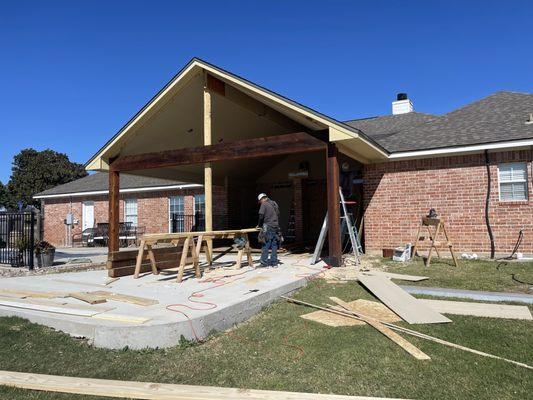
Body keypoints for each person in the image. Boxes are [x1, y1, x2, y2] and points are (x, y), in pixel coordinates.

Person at [256, 193, 281, 267]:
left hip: (268, 226)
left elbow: (261, 216)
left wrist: (259, 225)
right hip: (276, 226)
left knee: (265, 244)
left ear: (262, 199)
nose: (260, 203)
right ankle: (274, 263)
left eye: (260, 201)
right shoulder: (274, 203)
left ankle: (264, 263)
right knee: (274, 245)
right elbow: (278, 214)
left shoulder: (264, 204)